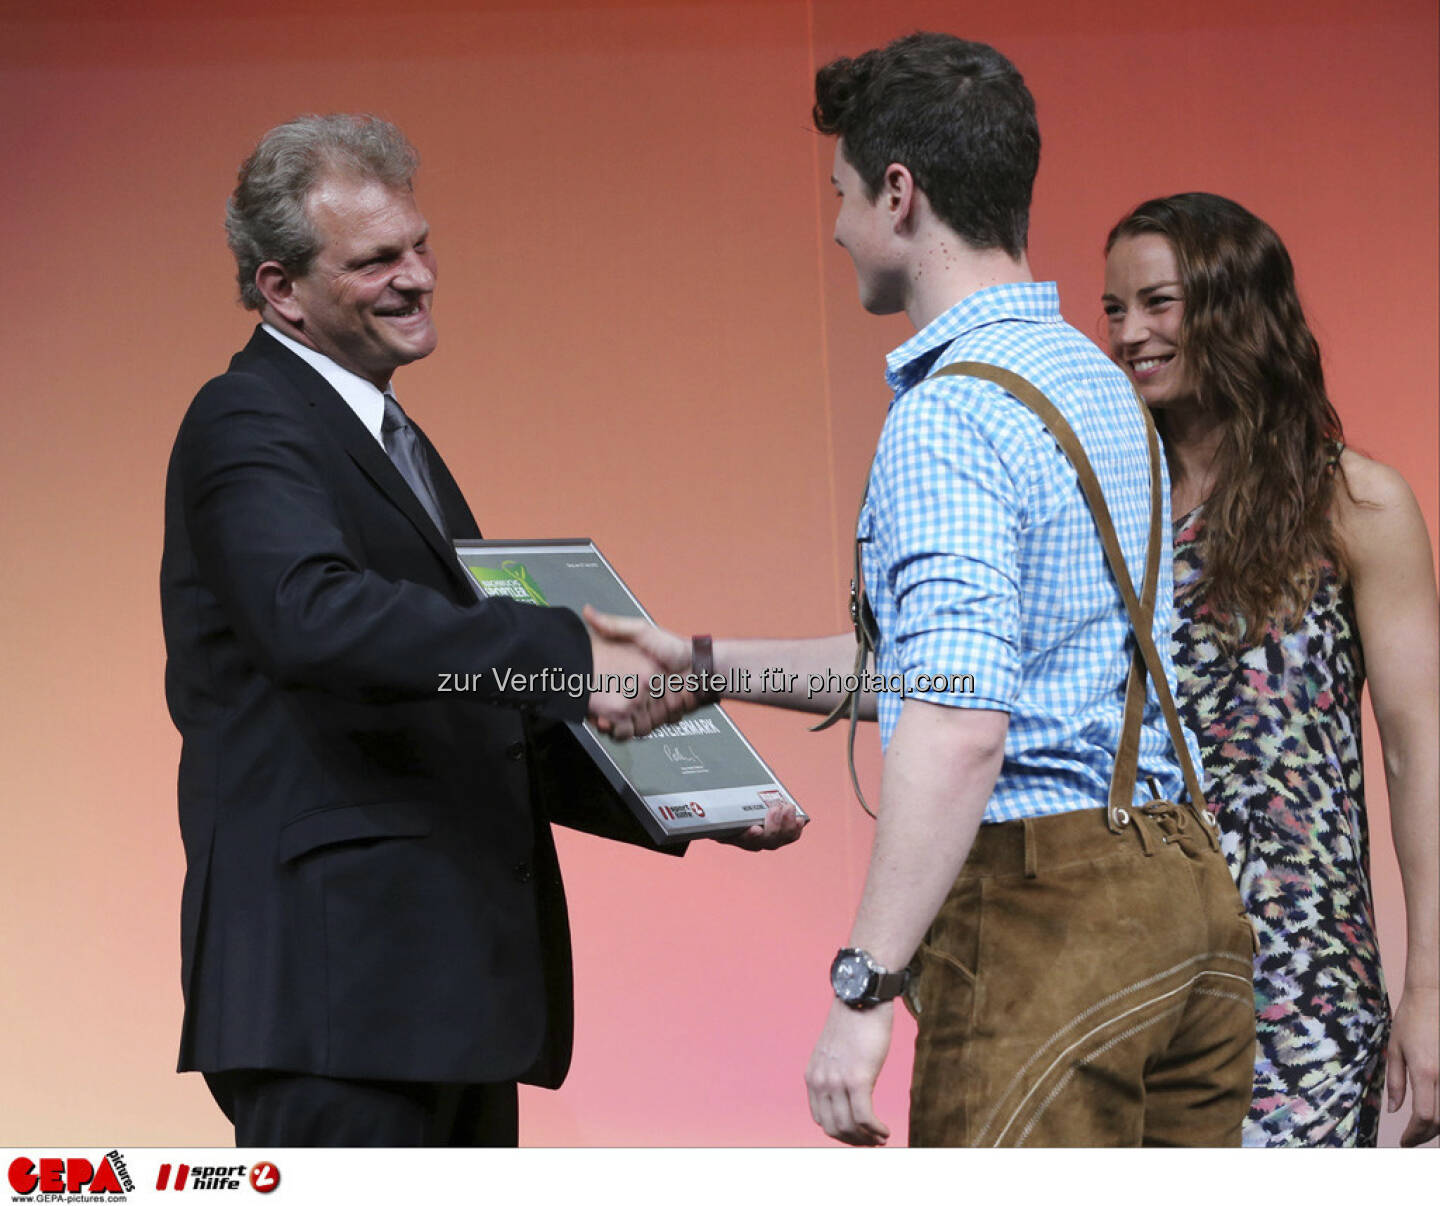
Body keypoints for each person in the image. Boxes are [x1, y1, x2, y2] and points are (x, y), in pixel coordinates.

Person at [589, 33, 1255, 1146]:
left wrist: (864, 986)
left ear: (901, 194)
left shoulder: (950, 415)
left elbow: (957, 722)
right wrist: (709, 666)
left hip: (1047, 920)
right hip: (1186, 903)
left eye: (843, 194)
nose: (839, 225)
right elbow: (957, 665)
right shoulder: (1095, 383)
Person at [160, 113, 800, 1147]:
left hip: (443, 999)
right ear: (282, 290)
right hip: (341, 998)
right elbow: (310, 619)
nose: (419, 277)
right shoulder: (246, 417)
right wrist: (569, 653)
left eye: (420, 244)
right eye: (376, 261)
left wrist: (692, 798)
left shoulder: (393, 439)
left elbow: (466, 706)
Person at [1102, 192, 1439, 1147]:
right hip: (1123, 983)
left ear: (1234, 307)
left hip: (1304, 995)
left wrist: (1433, 991)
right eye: (1114, 310)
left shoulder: (1354, 505)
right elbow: (952, 686)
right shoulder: (1106, 516)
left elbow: (1421, 758)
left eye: (1157, 303)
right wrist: (718, 672)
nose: (1130, 334)